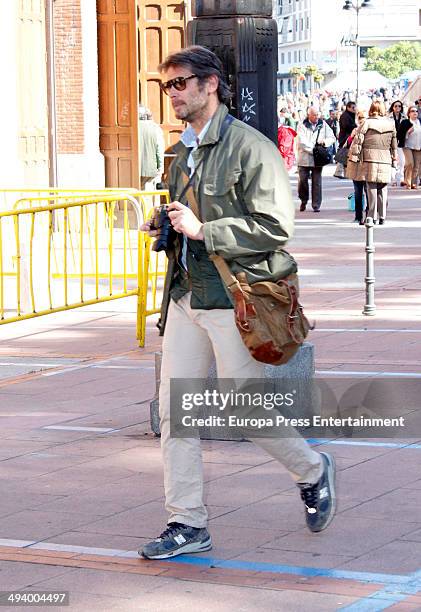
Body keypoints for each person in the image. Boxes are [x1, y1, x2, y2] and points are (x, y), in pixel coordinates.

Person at [139, 45, 336, 560]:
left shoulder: (250, 147)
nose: (173, 94)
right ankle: (187, 522)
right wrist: (167, 225)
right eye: (167, 86)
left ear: (211, 84)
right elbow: (186, 214)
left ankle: (312, 469)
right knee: (177, 415)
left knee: (246, 410)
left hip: (236, 299)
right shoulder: (180, 150)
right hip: (185, 296)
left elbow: (276, 225)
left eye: (179, 83)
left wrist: (205, 230)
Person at [347, 101, 397, 225]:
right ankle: (383, 216)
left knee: (371, 188)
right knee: (383, 187)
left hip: (369, 158)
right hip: (385, 158)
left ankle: (372, 216)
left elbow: (358, 141)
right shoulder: (390, 124)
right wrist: (394, 158)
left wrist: (354, 158)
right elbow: (394, 144)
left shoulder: (366, 123)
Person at [296, 107, 335, 212]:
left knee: (317, 182)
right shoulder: (302, 125)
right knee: (302, 181)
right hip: (304, 158)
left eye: (318, 114)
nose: (316, 117)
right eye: (314, 115)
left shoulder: (323, 124)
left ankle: (316, 204)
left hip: (318, 159)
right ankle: (303, 200)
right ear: (309, 115)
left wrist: (325, 142)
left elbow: (332, 137)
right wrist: (313, 150)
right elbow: (301, 141)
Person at [346, 110, 369, 225]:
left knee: (368, 191)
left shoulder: (370, 131)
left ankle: (369, 215)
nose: (361, 120)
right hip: (355, 165)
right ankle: (358, 216)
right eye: (359, 118)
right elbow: (347, 146)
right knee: (358, 192)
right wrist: (351, 137)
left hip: (367, 165)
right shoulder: (354, 130)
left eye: (363, 117)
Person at [138, 106, 165, 190]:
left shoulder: (131, 127)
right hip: (150, 169)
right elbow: (159, 150)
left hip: (132, 168)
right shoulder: (155, 128)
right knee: (147, 196)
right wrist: (160, 169)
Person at [397, 106, 421, 190]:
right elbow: (399, 135)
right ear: (409, 113)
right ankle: (408, 182)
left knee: (417, 166)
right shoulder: (405, 122)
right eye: (412, 111)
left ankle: (413, 183)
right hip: (407, 146)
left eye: (416, 111)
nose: (415, 113)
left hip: (418, 146)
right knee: (410, 163)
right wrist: (407, 132)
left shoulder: (420, 122)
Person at [388, 100, 406, 186]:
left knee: (402, 161)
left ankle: (401, 179)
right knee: (393, 161)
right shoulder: (388, 117)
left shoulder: (405, 117)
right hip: (391, 141)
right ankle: (393, 180)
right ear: (393, 107)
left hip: (401, 141)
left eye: (399, 106)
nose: (397, 107)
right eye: (396, 106)